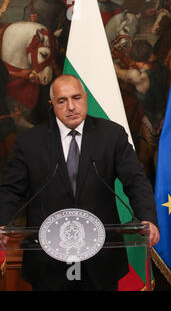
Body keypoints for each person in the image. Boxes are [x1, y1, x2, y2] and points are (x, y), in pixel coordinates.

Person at [0, 74, 160, 291]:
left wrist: (147, 218)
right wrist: (2, 222)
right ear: (52, 104)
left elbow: (136, 180)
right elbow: (11, 190)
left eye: (76, 97)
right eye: (62, 101)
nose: (71, 106)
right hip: (48, 261)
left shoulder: (112, 135)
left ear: (85, 97)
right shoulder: (30, 142)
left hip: (101, 258)